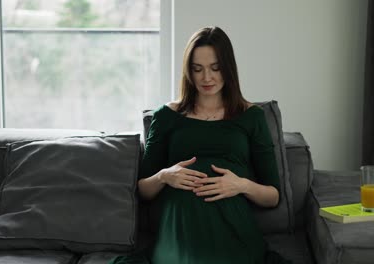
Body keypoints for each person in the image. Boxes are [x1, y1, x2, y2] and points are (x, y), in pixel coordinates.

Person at [109, 26, 291, 264]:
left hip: (232, 227)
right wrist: (165, 175)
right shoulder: (165, 116)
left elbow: (273, 196)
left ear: (229, 68)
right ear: (188, 72)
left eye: (215, 68)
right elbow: (144, 190)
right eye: (198, 69)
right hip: (179, 226)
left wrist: (241, 185)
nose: (207, 78)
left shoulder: (251, 116)